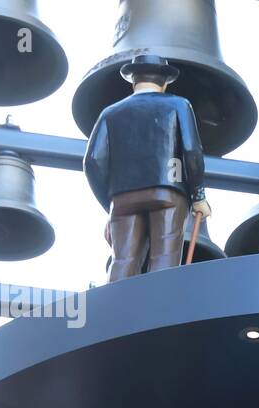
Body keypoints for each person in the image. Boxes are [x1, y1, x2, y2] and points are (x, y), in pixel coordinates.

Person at [83, 54, 212, 283]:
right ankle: (160, 311)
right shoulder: (178, 104)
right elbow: (191, 151)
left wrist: (111, 203)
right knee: (164, 257)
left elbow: (92, 161)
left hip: (122, 198)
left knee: (122, 260)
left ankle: (115, 310)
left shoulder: (110, 113)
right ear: (164, 82)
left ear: (133, 81)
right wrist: (198, 195)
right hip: (167, 192)